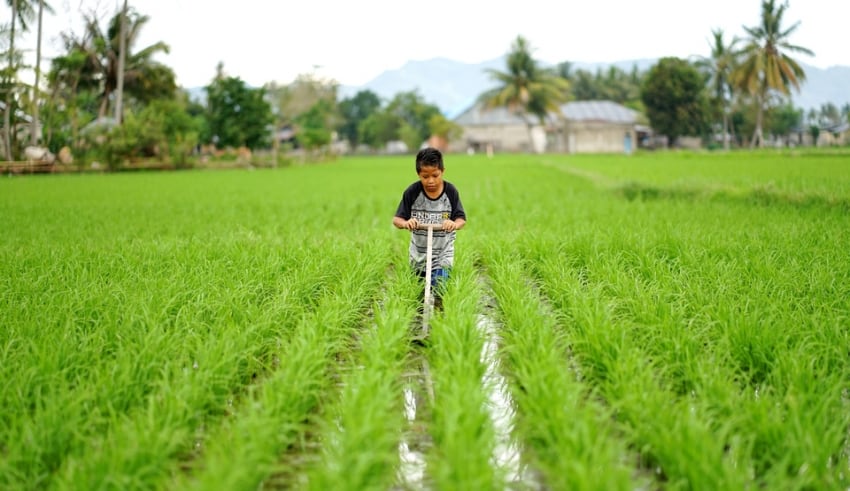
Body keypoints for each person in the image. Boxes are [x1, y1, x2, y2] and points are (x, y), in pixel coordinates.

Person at [393, 147, 466, 310]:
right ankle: (419, 321)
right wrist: (406, 223)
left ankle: (440, 318)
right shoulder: (412, 192)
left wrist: (453, 224)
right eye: (425, 176)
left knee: (440, 288)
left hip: (443, 253)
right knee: (419, 295)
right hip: (419, 255)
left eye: (435, 175)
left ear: (442, 171)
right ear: (418, 174)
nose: (430, 181)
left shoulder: (451, 192)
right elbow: (397, 219)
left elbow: (461, 219)